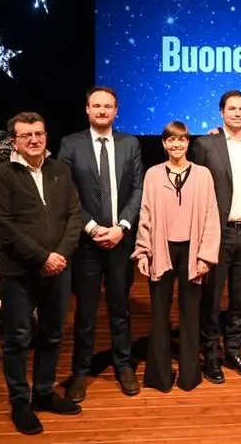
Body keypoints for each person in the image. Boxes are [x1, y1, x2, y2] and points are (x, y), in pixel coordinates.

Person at [0, 111, 84, 436]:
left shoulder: (61, 170)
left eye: (39, 133)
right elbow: (5, 227)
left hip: (58, 268)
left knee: (53, 335)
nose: (34, 139)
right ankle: (20, 402)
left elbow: (74, 216)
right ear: (13, 140)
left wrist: (60, 255)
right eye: (26, 135)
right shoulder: (2, 174)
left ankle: (43, 393)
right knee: (18, 338)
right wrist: (43, 257)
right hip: (19, 272)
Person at [58, 86, 144, 400]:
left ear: (116, 111)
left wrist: (122, 226)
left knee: (120, 309)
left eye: (108, 106)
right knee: (86, 312)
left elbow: (138, 188)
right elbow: (66, 193)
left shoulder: (130, 143)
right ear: (87, 110)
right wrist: (93, 228)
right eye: (97, 106)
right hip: (87, 244)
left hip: (121, 241)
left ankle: (124, 366)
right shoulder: (70, 144)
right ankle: (80, 372)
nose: (102, 111)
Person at [131, 121, 221, 392]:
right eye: (171, 140)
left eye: (181, 139)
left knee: (190, 313)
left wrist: (206, 255)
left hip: (193, 252)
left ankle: (189, 375)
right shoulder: (153, 174)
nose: (177, 144)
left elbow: (211, 216)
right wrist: (143, 251)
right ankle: (159, 376)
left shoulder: (203, 174)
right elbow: (145, 214)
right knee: (159, 314)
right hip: (161, 250)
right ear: (163, 144)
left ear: (188, 142)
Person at [193, 90, 241, 383]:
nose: (237, 113)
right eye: (231, 108)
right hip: (217, 233)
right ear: (221, 112)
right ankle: (211, 354)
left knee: (240, 299)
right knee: (211, 300)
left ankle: (233, 350)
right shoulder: (205, 144)